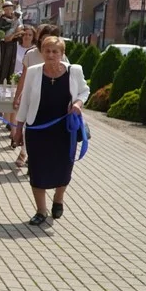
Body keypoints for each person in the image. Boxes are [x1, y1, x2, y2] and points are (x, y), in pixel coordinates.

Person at [14, 36, 89, 226]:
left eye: (55, 51)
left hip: (64, 130)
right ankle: (40, 211)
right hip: (37, 128)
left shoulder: (74, 71)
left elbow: (84, 91)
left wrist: (78, 104)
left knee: (64, 167)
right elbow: (26, 102)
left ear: (62, 54)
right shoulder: (33, 72)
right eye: (47, 51)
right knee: (37, 169)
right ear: (42, 53)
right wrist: (18, 127)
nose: (51, 54)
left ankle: (59, 198)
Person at [12, 25, 68, 167]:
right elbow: (24, 77)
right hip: (32, 97)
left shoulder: (61, 56)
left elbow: (68, 79)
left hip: (52, 100)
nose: (47, 39)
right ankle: (24, 152)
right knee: (28, 125)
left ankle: (37, 156)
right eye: (44, 35)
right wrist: (18, 95)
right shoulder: (31, 54)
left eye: (51, 36)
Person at [0, 1, 19, 83]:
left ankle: (8, 81)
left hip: (12, 44)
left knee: (10, 63)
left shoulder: (16, 20)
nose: (8, 11)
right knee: (0, 63)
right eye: (6, 9)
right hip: (2, 45)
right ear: (3, 10)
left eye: (10, 9)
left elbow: (19, 31)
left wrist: (14, 36)